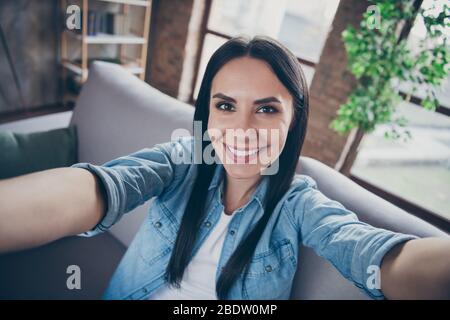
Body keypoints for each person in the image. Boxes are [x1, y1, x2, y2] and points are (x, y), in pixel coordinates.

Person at [0, 36, 449, 300]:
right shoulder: (182, 161)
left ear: (294, 122)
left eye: (268, 109)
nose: (242, 129)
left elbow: (376, 257)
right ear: (207, 113)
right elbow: (102, 187)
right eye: (226, 105)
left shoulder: (299, 204)